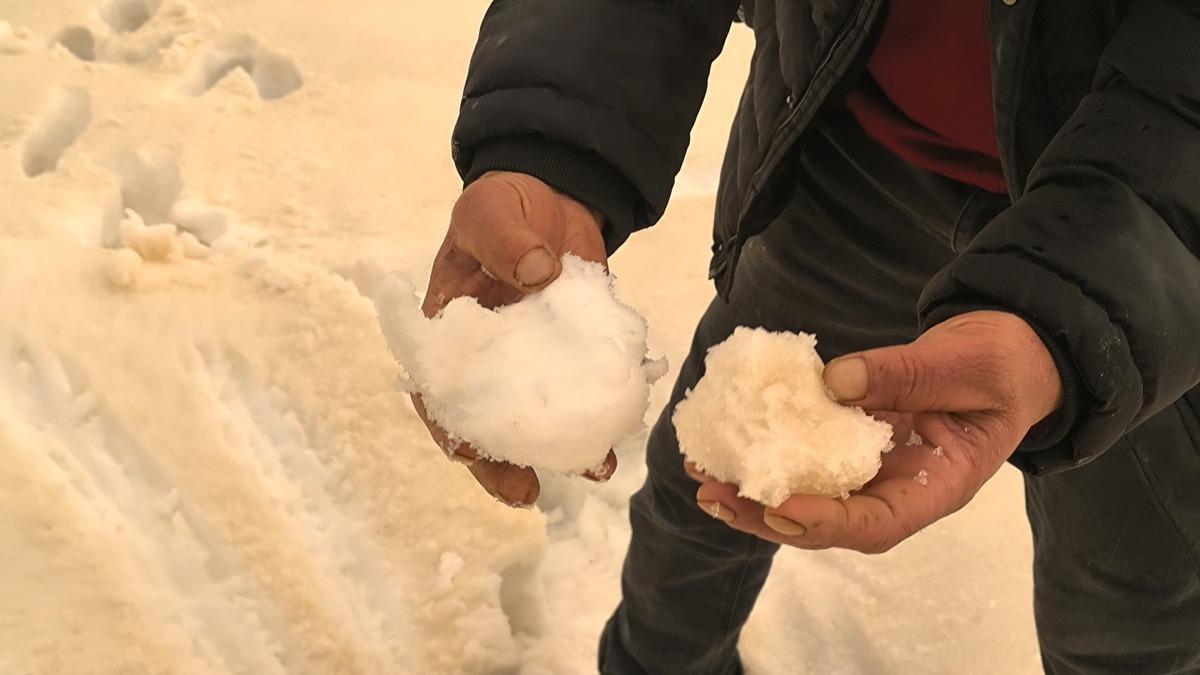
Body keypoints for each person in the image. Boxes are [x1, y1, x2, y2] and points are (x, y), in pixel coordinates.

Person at [416, 1, 1200, 672]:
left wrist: (1092, 308)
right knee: (705, 491)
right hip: (850, 162)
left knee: (1131, 600)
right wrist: (552, 144)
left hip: (1143, 241)